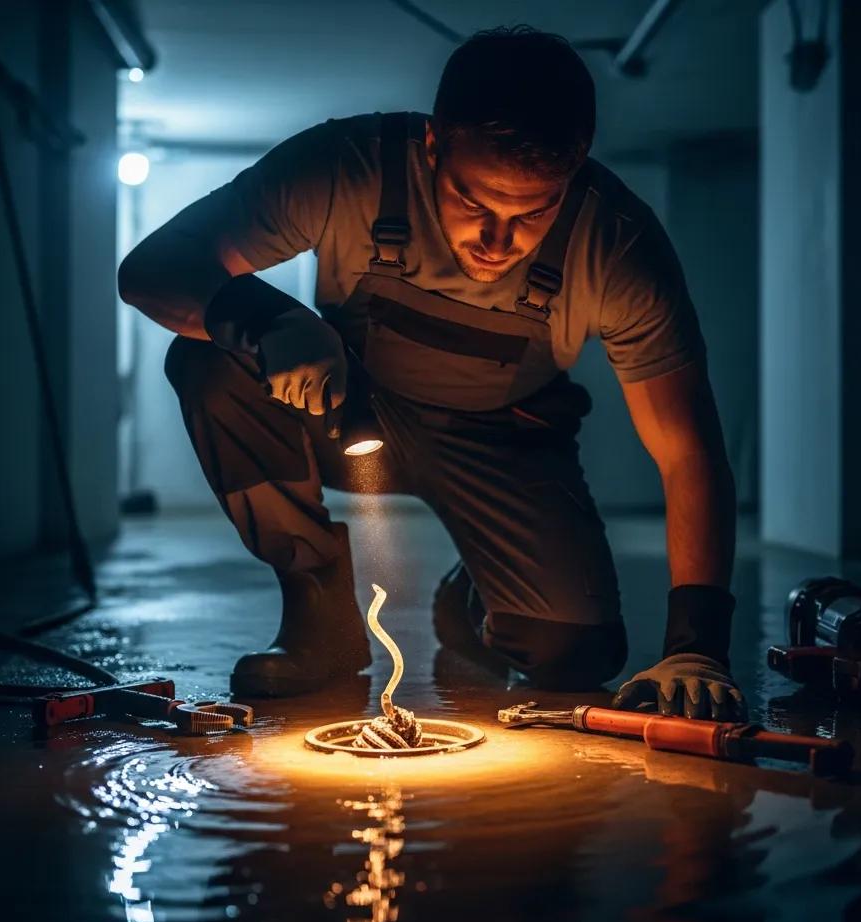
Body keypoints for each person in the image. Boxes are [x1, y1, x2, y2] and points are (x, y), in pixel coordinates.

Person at [118, 27, 745, 721]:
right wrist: (262, 317)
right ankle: (317, 617)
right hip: (352, 412)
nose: (497, 243)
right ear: (432, 145)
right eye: (474, 204)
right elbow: (150, 268)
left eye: (532, 213)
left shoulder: (619, 243)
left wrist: (699, 646)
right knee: (208, 358)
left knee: (574, 657)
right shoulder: (347, 166)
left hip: (505, 441)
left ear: (576, 167)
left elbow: (688, 450)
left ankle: (468, 600)